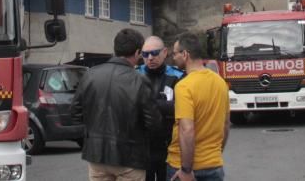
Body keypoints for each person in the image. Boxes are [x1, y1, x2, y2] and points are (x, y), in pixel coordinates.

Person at [71, 28, 161, 181]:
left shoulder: (90, 75)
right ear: (138, 52)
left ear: (115, 48)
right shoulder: (139, 80)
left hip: (97, 155)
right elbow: (154, 123)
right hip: (130, 158)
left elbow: (75, 113)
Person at [166, 33, 230, 181]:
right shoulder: (221, 83)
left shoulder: (184, 86)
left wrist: (186, 170)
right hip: (213, 164)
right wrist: (215, 154)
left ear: (185, 54)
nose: (173, 58)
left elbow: (187, 130)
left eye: (175, 53)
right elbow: (226, 125)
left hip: (183, 166)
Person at [137, 36, 184, 181]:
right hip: (142, 147)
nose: (150, 58)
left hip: (169, 147)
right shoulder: (134, 75)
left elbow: (182, 109)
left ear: (165, 52)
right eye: (145, 54)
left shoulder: (178, 76)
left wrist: (149, 104)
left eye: (155, 53)